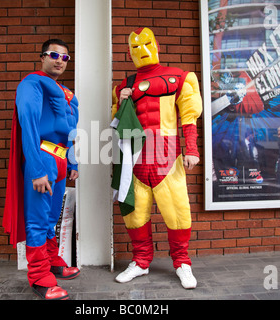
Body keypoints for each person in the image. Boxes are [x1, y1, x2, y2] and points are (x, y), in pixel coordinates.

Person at [111, 27, 202, 289]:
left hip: (167, 158)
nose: (142, 51)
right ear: (129, 53)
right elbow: (116, 124)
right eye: (135, 48)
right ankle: (140, 261)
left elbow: (189, 116)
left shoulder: (180, 78)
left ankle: (182, 263)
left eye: (146, 44)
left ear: (157, 45)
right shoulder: (123, 86)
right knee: (135, 213)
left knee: (178, 212)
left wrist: (192, 150)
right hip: (135, 161)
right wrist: (121, 101)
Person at [3, 39, 80, 300]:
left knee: (50, 219)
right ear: (42, 57)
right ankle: (39, 276)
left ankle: (52, 262)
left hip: (59, 159)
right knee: (37, 220)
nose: (59, 60)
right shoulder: (31, 84)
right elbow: (29, 125)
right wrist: (36, 169)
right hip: (43, 156)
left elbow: (70, 132)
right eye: (54, 55)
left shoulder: (67, 92)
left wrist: (72, 162)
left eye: (65, 57)